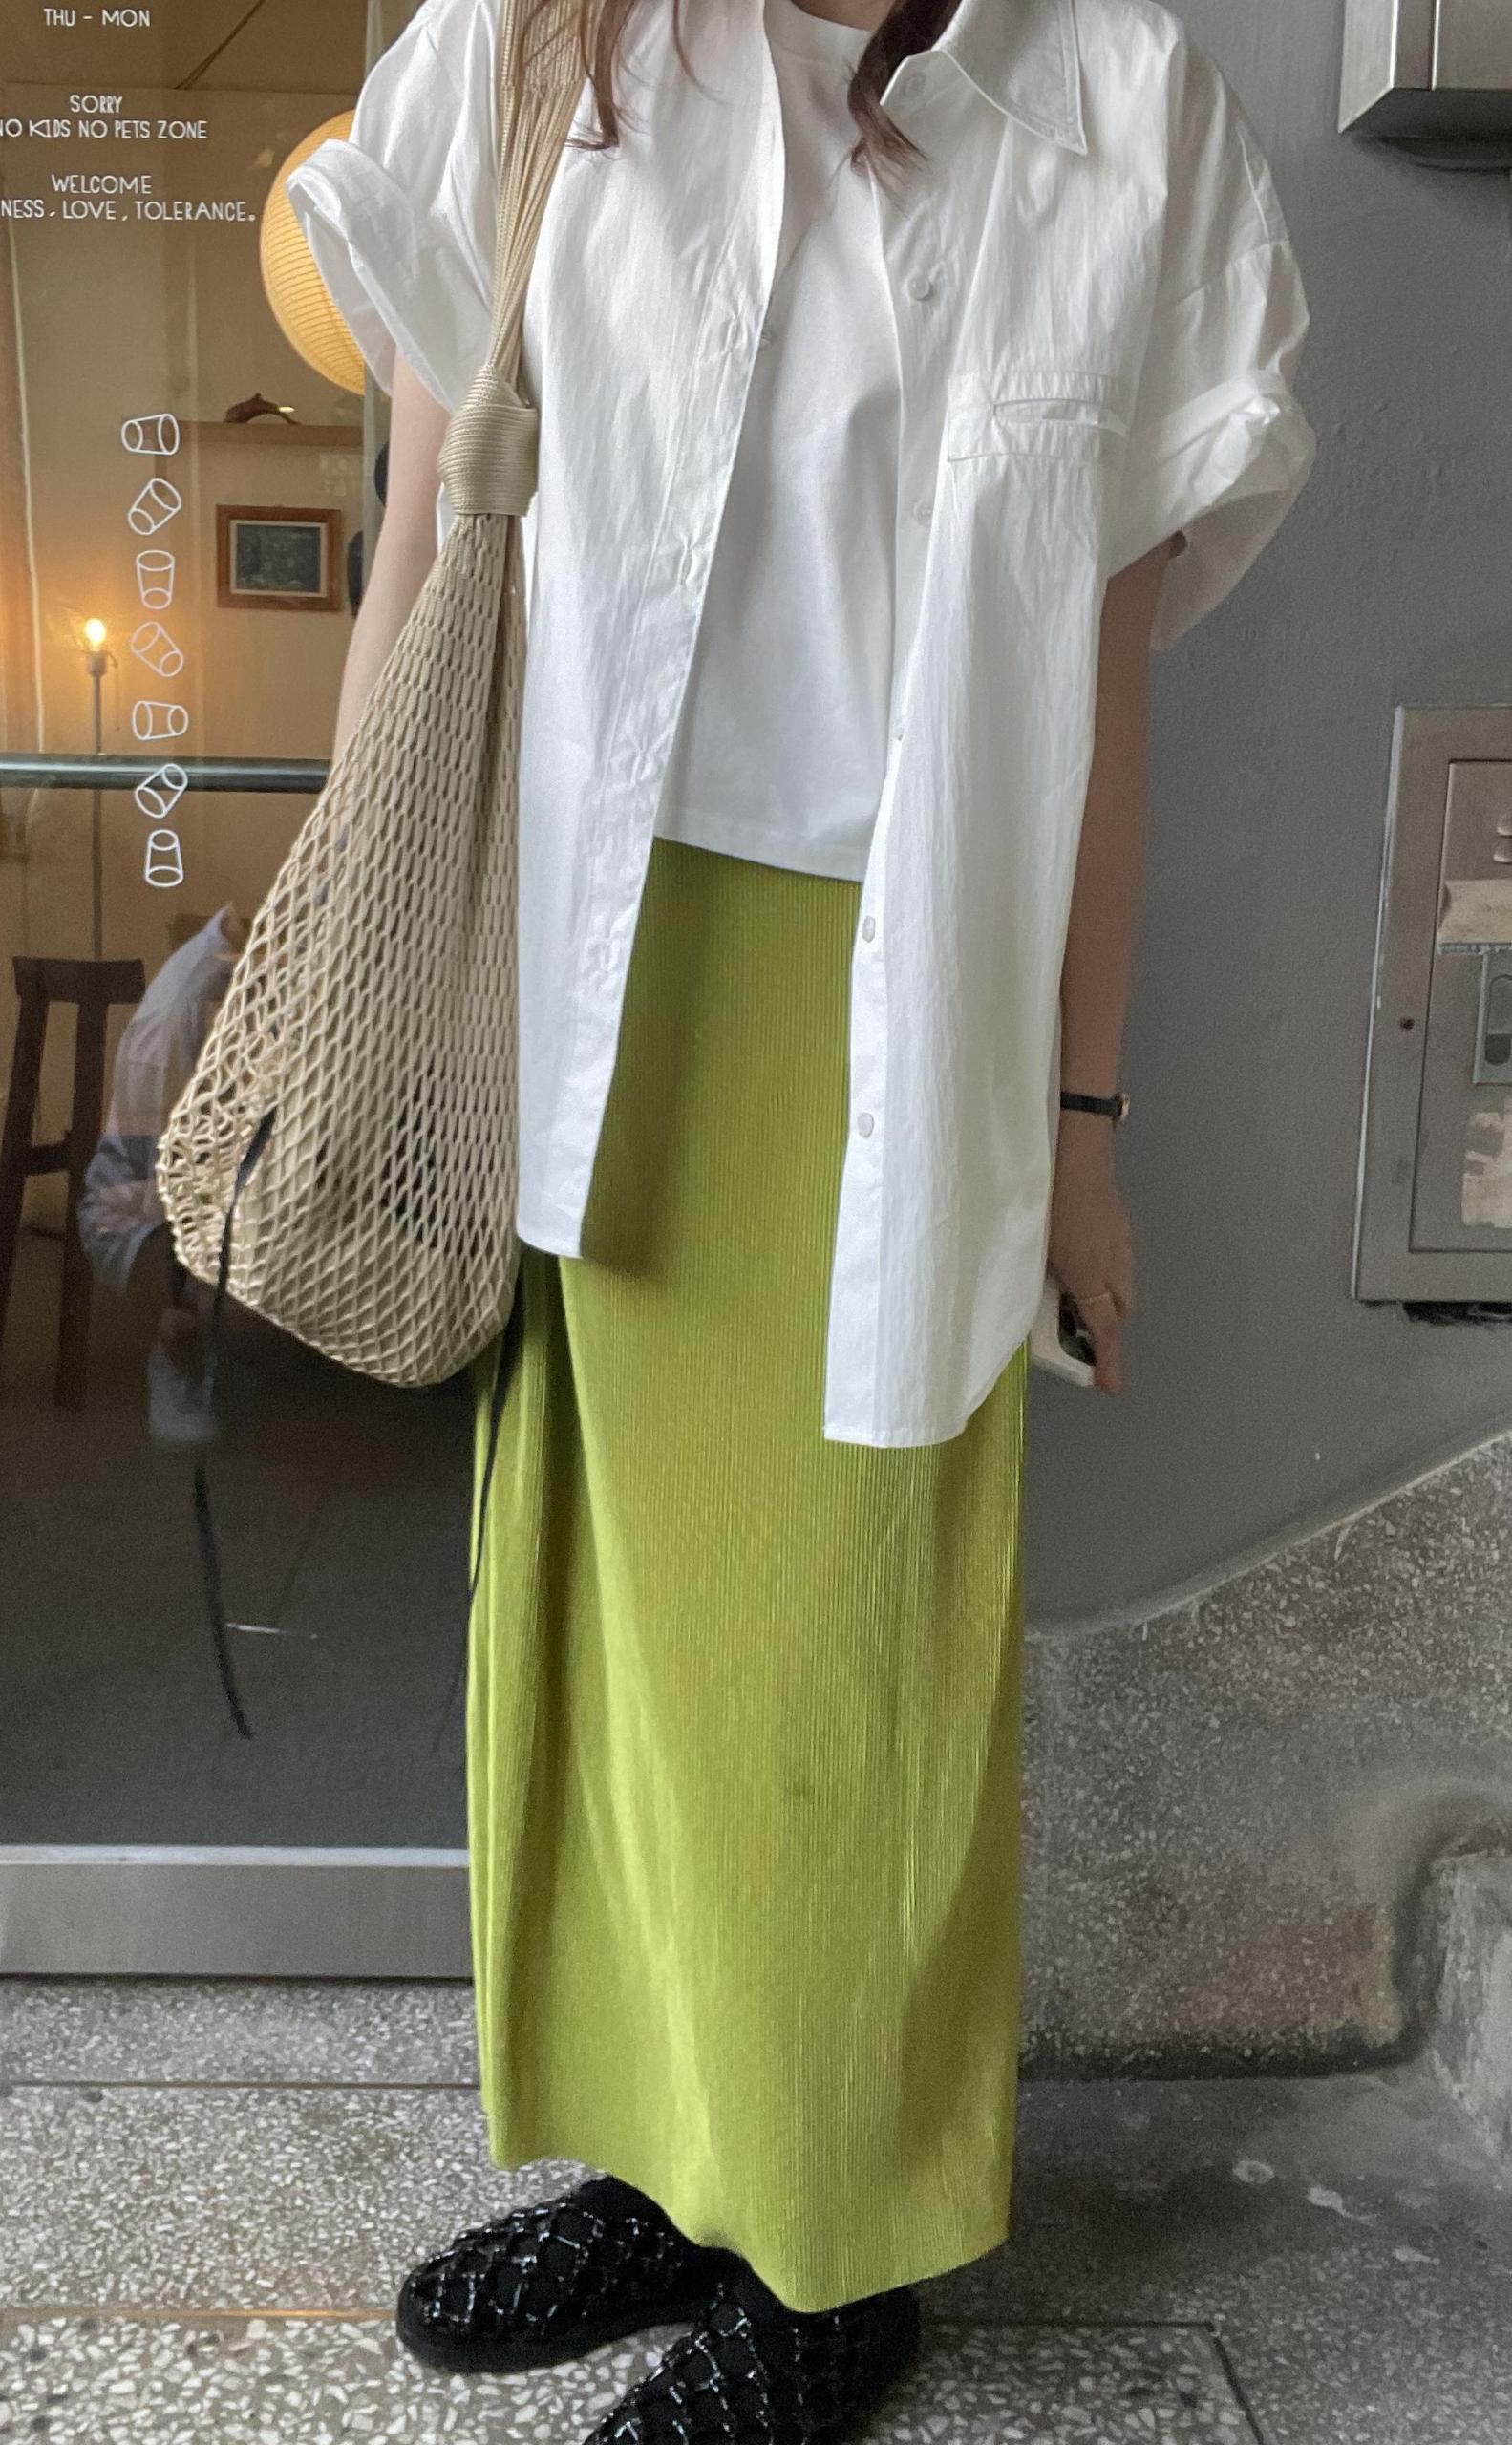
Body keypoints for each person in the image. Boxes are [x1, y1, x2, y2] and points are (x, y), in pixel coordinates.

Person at [286, 0, 1314, 2436]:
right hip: (578, 959)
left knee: (847, 1650)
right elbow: (422, 525)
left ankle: (833, 2249)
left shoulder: (1121, 110)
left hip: (899, 1006)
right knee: (613, 1629)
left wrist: (1078, 1123)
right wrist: (356, 952)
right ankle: (677, 2164)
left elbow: (1099, 689)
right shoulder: (533, 50)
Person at [77, 903, 249, 1441]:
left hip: (176, 1189)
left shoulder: (211, 993)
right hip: (141, 1215)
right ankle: (175, 1349)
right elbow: (170, 1182)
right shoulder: (175, 1027)